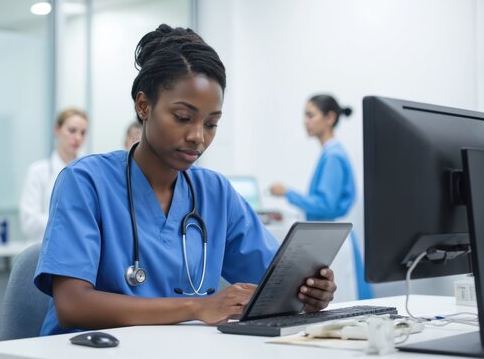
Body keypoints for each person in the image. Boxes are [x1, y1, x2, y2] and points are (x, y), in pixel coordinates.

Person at [34, 24, 336, 336]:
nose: (197, 137)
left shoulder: (215, 194)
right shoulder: (85, 182)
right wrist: (197, 307)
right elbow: (73, 306)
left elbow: (274, 284)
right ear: (144, 106)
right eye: (182, 117)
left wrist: (310, 290)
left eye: (211, 123)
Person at [269, 94, 372, 301]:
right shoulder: (332, 152)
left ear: (329, 118)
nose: (305, 121)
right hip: (335, 237)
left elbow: (325, 205)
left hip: (336, 241)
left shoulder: (333, 155)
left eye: (310, 115)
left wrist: (287, 192)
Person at [19, 108, 88, 242]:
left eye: (83, 133)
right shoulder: (38, 171)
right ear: (57, 130)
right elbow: (29, 223)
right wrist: (69, 221)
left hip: (79, 248)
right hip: (44, 249)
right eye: (72, 130)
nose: (78, 137)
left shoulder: (89, 172)